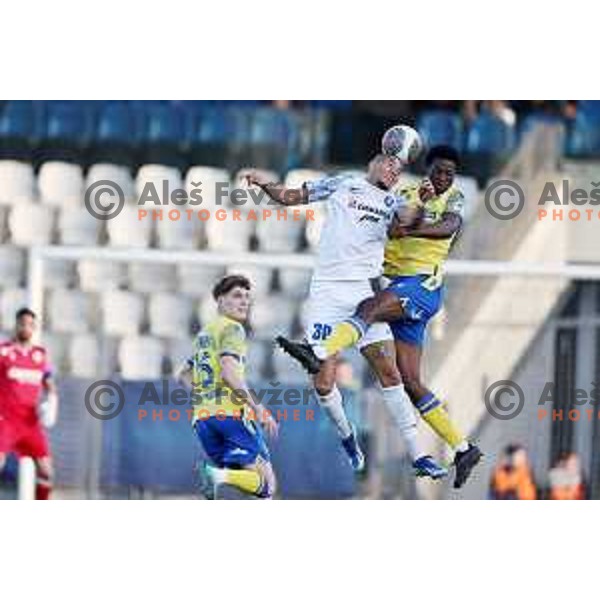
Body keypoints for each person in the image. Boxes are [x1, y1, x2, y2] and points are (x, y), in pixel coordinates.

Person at [276, 145, 482, 488]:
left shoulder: (454, 199)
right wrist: (404, 219)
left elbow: (449, 227)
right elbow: (388, 229)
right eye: (438, 171)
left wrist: (412, 225)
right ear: (426, 170)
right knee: (410, 381)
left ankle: (319, 352)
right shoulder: (401, 194)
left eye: (449, 173)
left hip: (420, 286)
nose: (444, 178)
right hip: (395, 285)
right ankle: (462, 448)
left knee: (368, 309)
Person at [246, 154, 447, 480]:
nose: (393, 171)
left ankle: (418, 454)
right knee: (324, 382)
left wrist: (421, 202)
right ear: (372, 164)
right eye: (389, 164)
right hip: (327, 293)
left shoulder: (395, 201)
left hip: (365, 295)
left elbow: (406, 225)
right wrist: (265, 183)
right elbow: (291, 197)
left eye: (398, 169)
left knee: (390, 372)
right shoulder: (342, 183)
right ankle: (348, 438)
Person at [177, 275, 278, 499]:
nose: (244, 302)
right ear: (221, 301)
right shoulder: (233, 329)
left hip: (203, 420)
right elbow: (229, 373)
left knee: (247, 482)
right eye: (237, 296)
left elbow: (183, 374)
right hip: (230, 416)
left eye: (247, 297)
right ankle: (215, 476)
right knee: (267, 485)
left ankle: (217, 476)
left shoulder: (205, 334)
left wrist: (205, 398)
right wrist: (257, 407)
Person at [0, 308, 59, 500]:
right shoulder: (4, 352)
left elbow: (49, 384)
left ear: (34, 328)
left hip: (30, 422)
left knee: (47, 471)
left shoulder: (40, 355)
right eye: (22, 323)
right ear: (16, 325)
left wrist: (51, 401)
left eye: (29, 324)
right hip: (6, 420)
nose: (25, 327)